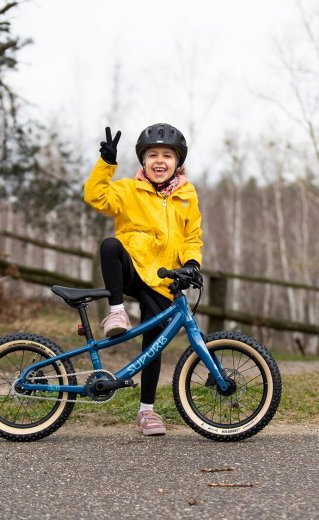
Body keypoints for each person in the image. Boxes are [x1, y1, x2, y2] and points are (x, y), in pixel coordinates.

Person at [83, 123, 203, 436]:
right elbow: (94, 196)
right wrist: (106, 164)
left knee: (155, 343)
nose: (159, 161)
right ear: (143, 161)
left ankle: (146, 412)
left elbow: (192, 236)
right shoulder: (127, 190)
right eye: (152, 155)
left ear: (178, 162)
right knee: (110, 245)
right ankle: (116, 312)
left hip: (163, 278)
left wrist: (191, 263)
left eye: (167, 155)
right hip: (132, 268)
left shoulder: (187, 196)